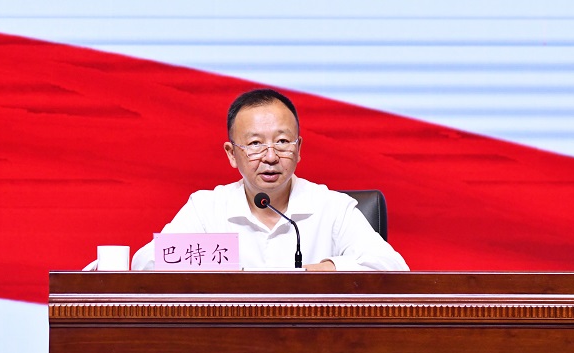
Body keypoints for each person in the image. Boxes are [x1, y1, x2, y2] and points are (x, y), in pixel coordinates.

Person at [131, 89, 409, 271]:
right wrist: (224, 265)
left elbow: (392, 267)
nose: (271, 156)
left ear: (298, 149)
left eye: (283, 142)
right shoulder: (207, 208)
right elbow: (146, 262)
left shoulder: (332, 207)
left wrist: (323, 270)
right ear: (232, 154)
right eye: (255, 144)